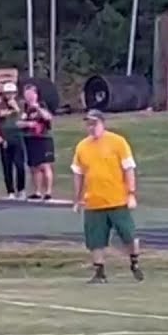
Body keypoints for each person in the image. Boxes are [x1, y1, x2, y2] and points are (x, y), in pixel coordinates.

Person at [71, 110, 143, 284]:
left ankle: (134, 262)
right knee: (95, 239)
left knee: (128, 235)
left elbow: (128, 168)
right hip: (94, 201)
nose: (91, 127)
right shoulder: (82, 146)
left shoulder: (117, 142)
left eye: (94, 123)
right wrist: (77, 198)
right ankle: (99, 271)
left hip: (117, 200)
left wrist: (131, 193)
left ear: (103, 123)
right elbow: (78, 173)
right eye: (88, 124)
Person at [18, 83, 56, 201]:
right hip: (30, 138)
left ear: (36, 95)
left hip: (43, 138)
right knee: (34, 166)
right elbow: (18, 123)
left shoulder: (42, 105)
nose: (29, 97)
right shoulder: (24, 108)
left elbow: (48, 118)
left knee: (45, 165)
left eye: (31, 94)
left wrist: (37, 108)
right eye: (26, 94)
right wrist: (28, 124)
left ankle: (48, 192)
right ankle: (37, 191)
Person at [0, 82, 27, 199]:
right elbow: (1, 114)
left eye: (12, 93)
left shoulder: (21, 104)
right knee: (7, 166)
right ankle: (10, 191)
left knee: (19, 165)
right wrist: (12, 110)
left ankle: (21, 189)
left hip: (17, 137)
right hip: (5, 138)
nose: (9, 95)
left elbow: (23, 117)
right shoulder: (0, 104)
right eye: (7, 93)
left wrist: (15, 108)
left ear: (15, 93)